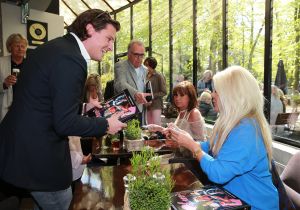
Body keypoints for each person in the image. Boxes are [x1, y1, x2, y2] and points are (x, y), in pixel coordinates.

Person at [0, 9, 126, 210]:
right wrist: (105, 124)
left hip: (23, 148)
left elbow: (45, 100)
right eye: (109, 39)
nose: (111, 47)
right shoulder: (72, 59)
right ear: (90, 29)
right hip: (38, 157)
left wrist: (84, 106)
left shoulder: (57, 48)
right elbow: (64, 123)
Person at [168, 66, 279, 210]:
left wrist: (193, 147)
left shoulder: (246, 128)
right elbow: (210, 147)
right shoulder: (230, 121)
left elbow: (219, 173)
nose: (212, 95)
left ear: (231, 94)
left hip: (254, 205)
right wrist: (186, 140)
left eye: (216, 91)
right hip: (232, 199)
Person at [148, 81, 206, 157]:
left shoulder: (193, 113)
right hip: (178, 155)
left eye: (181, 95)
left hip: (188, 161)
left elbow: (201, 145)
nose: (177, 98)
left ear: (190, 97)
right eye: (175, 95)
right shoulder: (182, 112)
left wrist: (178, 145)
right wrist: (160, 129)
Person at [114, 40, 151, 125]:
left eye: (142, 55)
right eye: (136, 55)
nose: (139, 58)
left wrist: (148, 97)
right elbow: (120, 84)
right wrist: (136, 94)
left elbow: (142, 87)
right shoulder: (121, 66)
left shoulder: (145, 70)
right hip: (125, 109)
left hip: (140, 109)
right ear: (129, 53)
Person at [0, 33, 28, 122]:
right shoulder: (1, 63)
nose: (20, 49)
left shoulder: (31, 63)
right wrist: (4, 84)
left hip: (26, 108)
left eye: (23, 46)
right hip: (6, 107)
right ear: (10, 47)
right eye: (17, 46)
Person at [144, 57, 167, 125]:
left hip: (156, 105)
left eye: (146, 65)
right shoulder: (145, 76)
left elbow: (164, 92)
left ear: (151, 65)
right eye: (144, 64)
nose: (144, 67)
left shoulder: (159, 76)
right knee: (149, 125)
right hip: (147, 105)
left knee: (156, 125)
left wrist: (152, 96)